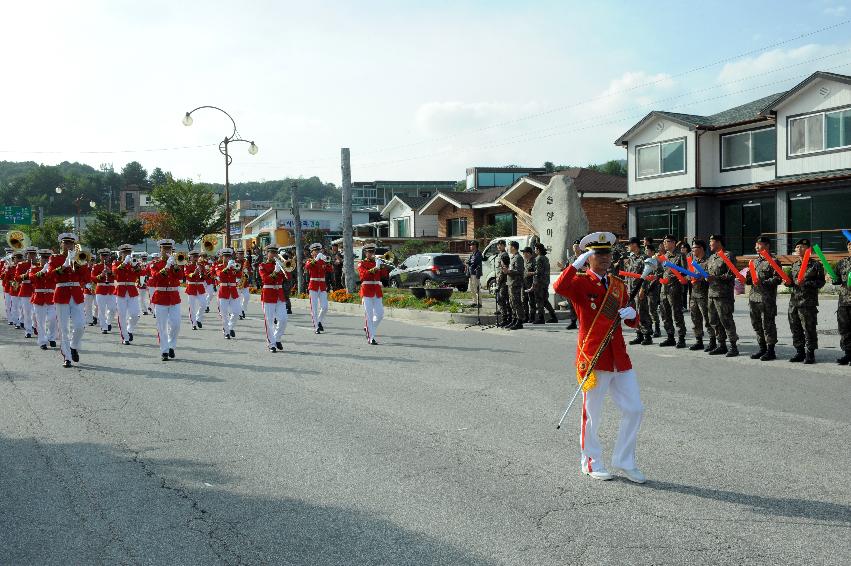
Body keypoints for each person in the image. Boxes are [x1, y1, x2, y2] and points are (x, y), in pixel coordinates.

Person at [553, 231, 645, 484]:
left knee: (635, 409)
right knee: (593, 414)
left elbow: (634, 322)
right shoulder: (581, 282)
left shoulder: (618, 285)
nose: (605, 259)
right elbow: (559, 287)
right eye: (598, 254)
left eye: (608, 254)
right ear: (589, 256)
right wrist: (576, 264)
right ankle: (591, 461)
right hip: (594, 356)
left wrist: (630, 314)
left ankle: (625, 461)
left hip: (619, 357)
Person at [47, 233, 86, 368]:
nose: (68, 245)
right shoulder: (55, 258)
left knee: (80, 325)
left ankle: (73, 346)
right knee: (64, 328)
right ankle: (67, 357)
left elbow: (85, 276)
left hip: (76, 293)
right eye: (65, 243)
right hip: (61, 293)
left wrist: (80, 264)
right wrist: (64, 265)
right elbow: (50, 275)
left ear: (74, 245)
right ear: (61, 244)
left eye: (70, 243)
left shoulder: (78, 258)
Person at [786, 238, 825, 364]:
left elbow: (821, 282)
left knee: (809, 329)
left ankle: (810, 353)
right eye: (797, 247)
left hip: (808, 303)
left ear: (809, 249)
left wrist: (807, 283)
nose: (799, 249)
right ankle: (799, 352)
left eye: (802, 247)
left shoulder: (815, 265)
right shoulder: (794, 265)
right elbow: (792, 282)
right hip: (794, 302)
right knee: (795, 327)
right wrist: (788, 283)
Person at [745, 236, 781, 361]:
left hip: (767, 299)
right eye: (756, 244)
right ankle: (762, 348)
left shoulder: (774, 261)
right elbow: (750, 279)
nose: (756, 247)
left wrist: (763, 282)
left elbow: (778, 279)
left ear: (767, 246)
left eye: (759, 244)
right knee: (756, 324)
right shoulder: (754, 262)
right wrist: (745, 279)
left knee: (768, 324)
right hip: (754, 298)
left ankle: (771, 350)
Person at [704, 235, 739, 357]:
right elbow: (709, 273)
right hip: (711, 294)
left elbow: (731, 275)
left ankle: (733, 346)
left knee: (726, 320)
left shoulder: (728, 256)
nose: (709, 244)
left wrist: (716, 278)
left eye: (711, 242)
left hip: (723, 295)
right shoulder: (711, 257)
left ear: (718, 242)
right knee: (714, 320)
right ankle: (721, 345)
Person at [148, 239, 182, 361]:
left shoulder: (175, 262)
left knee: (176, 324)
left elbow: (181, 277)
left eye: (169, 249)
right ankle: (164, 350)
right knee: (162, 326)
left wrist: (175, 266)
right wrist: (167, 267)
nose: (167, 251)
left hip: (174, 296)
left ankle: (171, 345)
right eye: (164, 249)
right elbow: (155, 279)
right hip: (161, 296)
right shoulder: (155, 264)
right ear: (160, 250)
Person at [658, 235, 687, 348]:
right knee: (665, 313)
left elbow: (685, 272)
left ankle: (681, 338)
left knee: (677, 313)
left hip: (675, 289)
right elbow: (661, 271)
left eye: (667, 241)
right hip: (664, 289)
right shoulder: (664, 256)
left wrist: (673, 277)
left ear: (674, 243)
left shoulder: (680, 256)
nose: (665, 244)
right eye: (664, 242)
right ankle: (670, 337)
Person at [258, 245, 289, 352]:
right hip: (268, 294)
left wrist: (284, 267)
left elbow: (288, 277)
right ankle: (271, 343)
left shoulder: (280, 264)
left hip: (279, 294)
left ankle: (277, 338)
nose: (274, 255)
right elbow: (265, 279)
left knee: (284, 319)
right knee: (269, 321)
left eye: (276, 253)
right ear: (267, 253)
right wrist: (276, 271)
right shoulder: (262, 265)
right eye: (272, 253)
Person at [358, 244, 390, 345]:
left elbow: (384, 275)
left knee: (380, 314)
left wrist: (382, 266)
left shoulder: (377, 262)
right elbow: (363, 275)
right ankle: (371, 337)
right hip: (366, 290)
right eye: (369, 252)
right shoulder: (361, 263)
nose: (371, 254)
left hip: (377, 290)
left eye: (373, 252)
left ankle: (368, 328)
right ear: (365, 253)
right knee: (369, 315)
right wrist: (376, 268)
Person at [113, 244, 143, 345]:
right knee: (122, 315)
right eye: (125, 252)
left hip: (132, 290)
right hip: (121, 290)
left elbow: (140, 273)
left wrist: (135, 266)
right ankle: (125, 337)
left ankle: (129, 329)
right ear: (121, 253)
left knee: (135, 314)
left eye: (129, 252)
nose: (127, 254)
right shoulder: (116, 263)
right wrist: (124, 263)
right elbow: (115, 272)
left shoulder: (134, 263)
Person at [687, 240, 714, 352]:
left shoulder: (709, 261)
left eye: (694, 248)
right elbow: (688, 275)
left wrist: (702, 277)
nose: (692, 250)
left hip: (705, 294)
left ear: (701, 248)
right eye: (692, 248)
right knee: (695, 319)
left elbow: (711, 276)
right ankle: (699, 341)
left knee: (708, 319)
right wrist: (691, 277)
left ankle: (713, 341)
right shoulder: (693, 262)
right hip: (694, 294)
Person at [624, 237, 652, 345]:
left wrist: (643, 289)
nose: (628, 246)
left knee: (643, 312)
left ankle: (647, 335)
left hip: (639, 290)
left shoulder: (644, 258)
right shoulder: (630, 259)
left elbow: (647, 275)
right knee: (634, 313)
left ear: (635, 245)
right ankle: (639, 334)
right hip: (631, 291)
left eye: (629, 244)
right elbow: (627, 276)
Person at [30, 248, 57, 350]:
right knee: (40, 322)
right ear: (39, 258)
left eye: (47, 258)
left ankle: (51, 337)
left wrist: (49, 269)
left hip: (51, 297)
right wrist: (42, 270)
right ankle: (42, 341)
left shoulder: (53, 270)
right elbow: (32, 278)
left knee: (52, 318)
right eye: (43, 257)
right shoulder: (34, 268)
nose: (45, 259)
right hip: (39, 297)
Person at [305, 242, 333, 334]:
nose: (317, 252)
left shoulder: (323, 261)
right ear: (312, 253)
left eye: (318, 250)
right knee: (314, 308)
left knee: (325, 307)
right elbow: (307, 267)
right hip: (313, 285)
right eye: (315, 251)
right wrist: (316, 259)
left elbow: (330, 270)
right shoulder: (310, 260)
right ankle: (316, 326)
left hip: (322, 285)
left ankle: (319, 321)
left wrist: (327, 262)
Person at [215, 248, 241, 339]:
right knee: (224, 314)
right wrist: (227, 268)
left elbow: (239, 276)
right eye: (225, 256)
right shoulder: (219, 266)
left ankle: (230, 327)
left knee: (237, 312)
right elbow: (220, 276)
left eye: (229, 256)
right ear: (222, 257)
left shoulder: (234, 266)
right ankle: (226, 331)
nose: (227, 258)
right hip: (224, 292)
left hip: (233, 292)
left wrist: (237, 269)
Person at [832, 239, 851, 364]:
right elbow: (837, 279)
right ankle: (848, 354)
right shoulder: (842, 263)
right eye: (849, 244)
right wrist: (835, 280)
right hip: (844, 302)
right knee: (844, 329)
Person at [90, 249, 117, 334]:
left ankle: (108, 322)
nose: (105, 257)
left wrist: (110, 272)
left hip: (111, 289)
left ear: (109, 256)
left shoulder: (113, 265)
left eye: (106, 256)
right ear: (100, 257)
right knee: (101, 310)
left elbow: (117, 276)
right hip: (100, 289)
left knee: (113, 309)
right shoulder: (96, 266)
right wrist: (101, 275)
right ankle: (103, 327)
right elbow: (93, 278)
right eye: (103, 256)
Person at [532, 243, 558, 324]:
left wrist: (530, 273)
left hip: (539, 282)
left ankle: (541, 318)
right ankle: (553, 316)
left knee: (539, 300)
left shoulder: (538, 258)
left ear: (538, 250)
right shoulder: (545, 258)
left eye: (535, 249)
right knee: (545, 301)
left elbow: (538, 271)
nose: (534, 250)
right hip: (545, 282)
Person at [14, 246, 37, 337]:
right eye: (29, 254)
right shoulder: (21, 265)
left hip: (36, 290)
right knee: (27, 312)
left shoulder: (39, 264)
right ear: (26, 255)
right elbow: (16, 278)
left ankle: (35, 326)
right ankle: (28, 331)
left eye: (33, 254)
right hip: (25, 289)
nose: (31, 256)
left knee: (36, 312)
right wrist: (25, 275)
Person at [502, 240, 525, 329]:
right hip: (511, 283)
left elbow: (519, 271)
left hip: (516, 283)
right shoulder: (513, 257)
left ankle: (519, 321)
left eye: (509, 246)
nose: (508, 248)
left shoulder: (518, 258)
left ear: (513, 247)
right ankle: (514, 319)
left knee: (517, 302)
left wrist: (508, 271)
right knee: (512, 302)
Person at [184, 250, 207, 330]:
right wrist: (194, 273)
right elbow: (187, 275)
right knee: (192, 307)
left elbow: (204, 277)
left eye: (197, 256)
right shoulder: (187, 265)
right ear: (190, 258)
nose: (196, 258)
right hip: (191, 287)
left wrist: (202, 273)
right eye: (194, 257)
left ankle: (198, 319)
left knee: (204, 305)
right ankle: (193, 323)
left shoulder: (201, 265)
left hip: (200, 287)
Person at [643, 241, 661, 337]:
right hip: (646, 287)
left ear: (652, 251)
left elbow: (657, 275)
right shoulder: (645, 260)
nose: (646, 252)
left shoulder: (656, 261)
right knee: (646, 309)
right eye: (645, 250)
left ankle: (657, 328)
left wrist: (651, 285)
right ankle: (649, 327)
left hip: (653, 288)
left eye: (648, 250)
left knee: (652, 309)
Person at [493, 240, 511, 328]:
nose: (499, 246)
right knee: (502, 299)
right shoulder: (500, 255)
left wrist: (499, 282)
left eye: (501, 245)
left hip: (503, 281)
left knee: (502, 299)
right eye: (498, 245)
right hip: (499, 280)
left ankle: (505, 319)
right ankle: (507, 317)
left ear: (504, 246)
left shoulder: (504, 255)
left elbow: (504, 270)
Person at [521, 246, 536, 323]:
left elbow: (537, 273)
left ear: (529, 253)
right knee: (524, 300)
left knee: (531, 301)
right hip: (524, 283)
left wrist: (531, 273)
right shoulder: (525, 261)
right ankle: (525, 316)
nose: (524, 254)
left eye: (525, 253)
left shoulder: (534, 261)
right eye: (523, 253)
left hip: (531, 284)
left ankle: (532, 317)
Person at [466, 241, 483, 307]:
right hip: (471, 273)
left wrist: (468, 262)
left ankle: (479, 303)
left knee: (476, 288)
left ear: (475, 245)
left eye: (471, 245)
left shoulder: (478, 254)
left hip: (475, 273)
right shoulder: (472, 254)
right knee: (472, 288)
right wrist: (468, 261)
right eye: (470, 245)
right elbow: (468, 261)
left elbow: (473, 262)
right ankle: (474, 302)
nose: (470, 246)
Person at [236, 249, 251, 319]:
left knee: (247, 297)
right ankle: (239, 313)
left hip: (245, 282)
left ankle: (242, 309)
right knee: (238, 298)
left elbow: (249, 270)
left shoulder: (246, 262)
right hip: (237, 282)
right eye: (240, 254)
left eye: (242, 254)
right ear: (237, 255)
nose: (241, 255)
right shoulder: (234, 262)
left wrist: (248, 272)